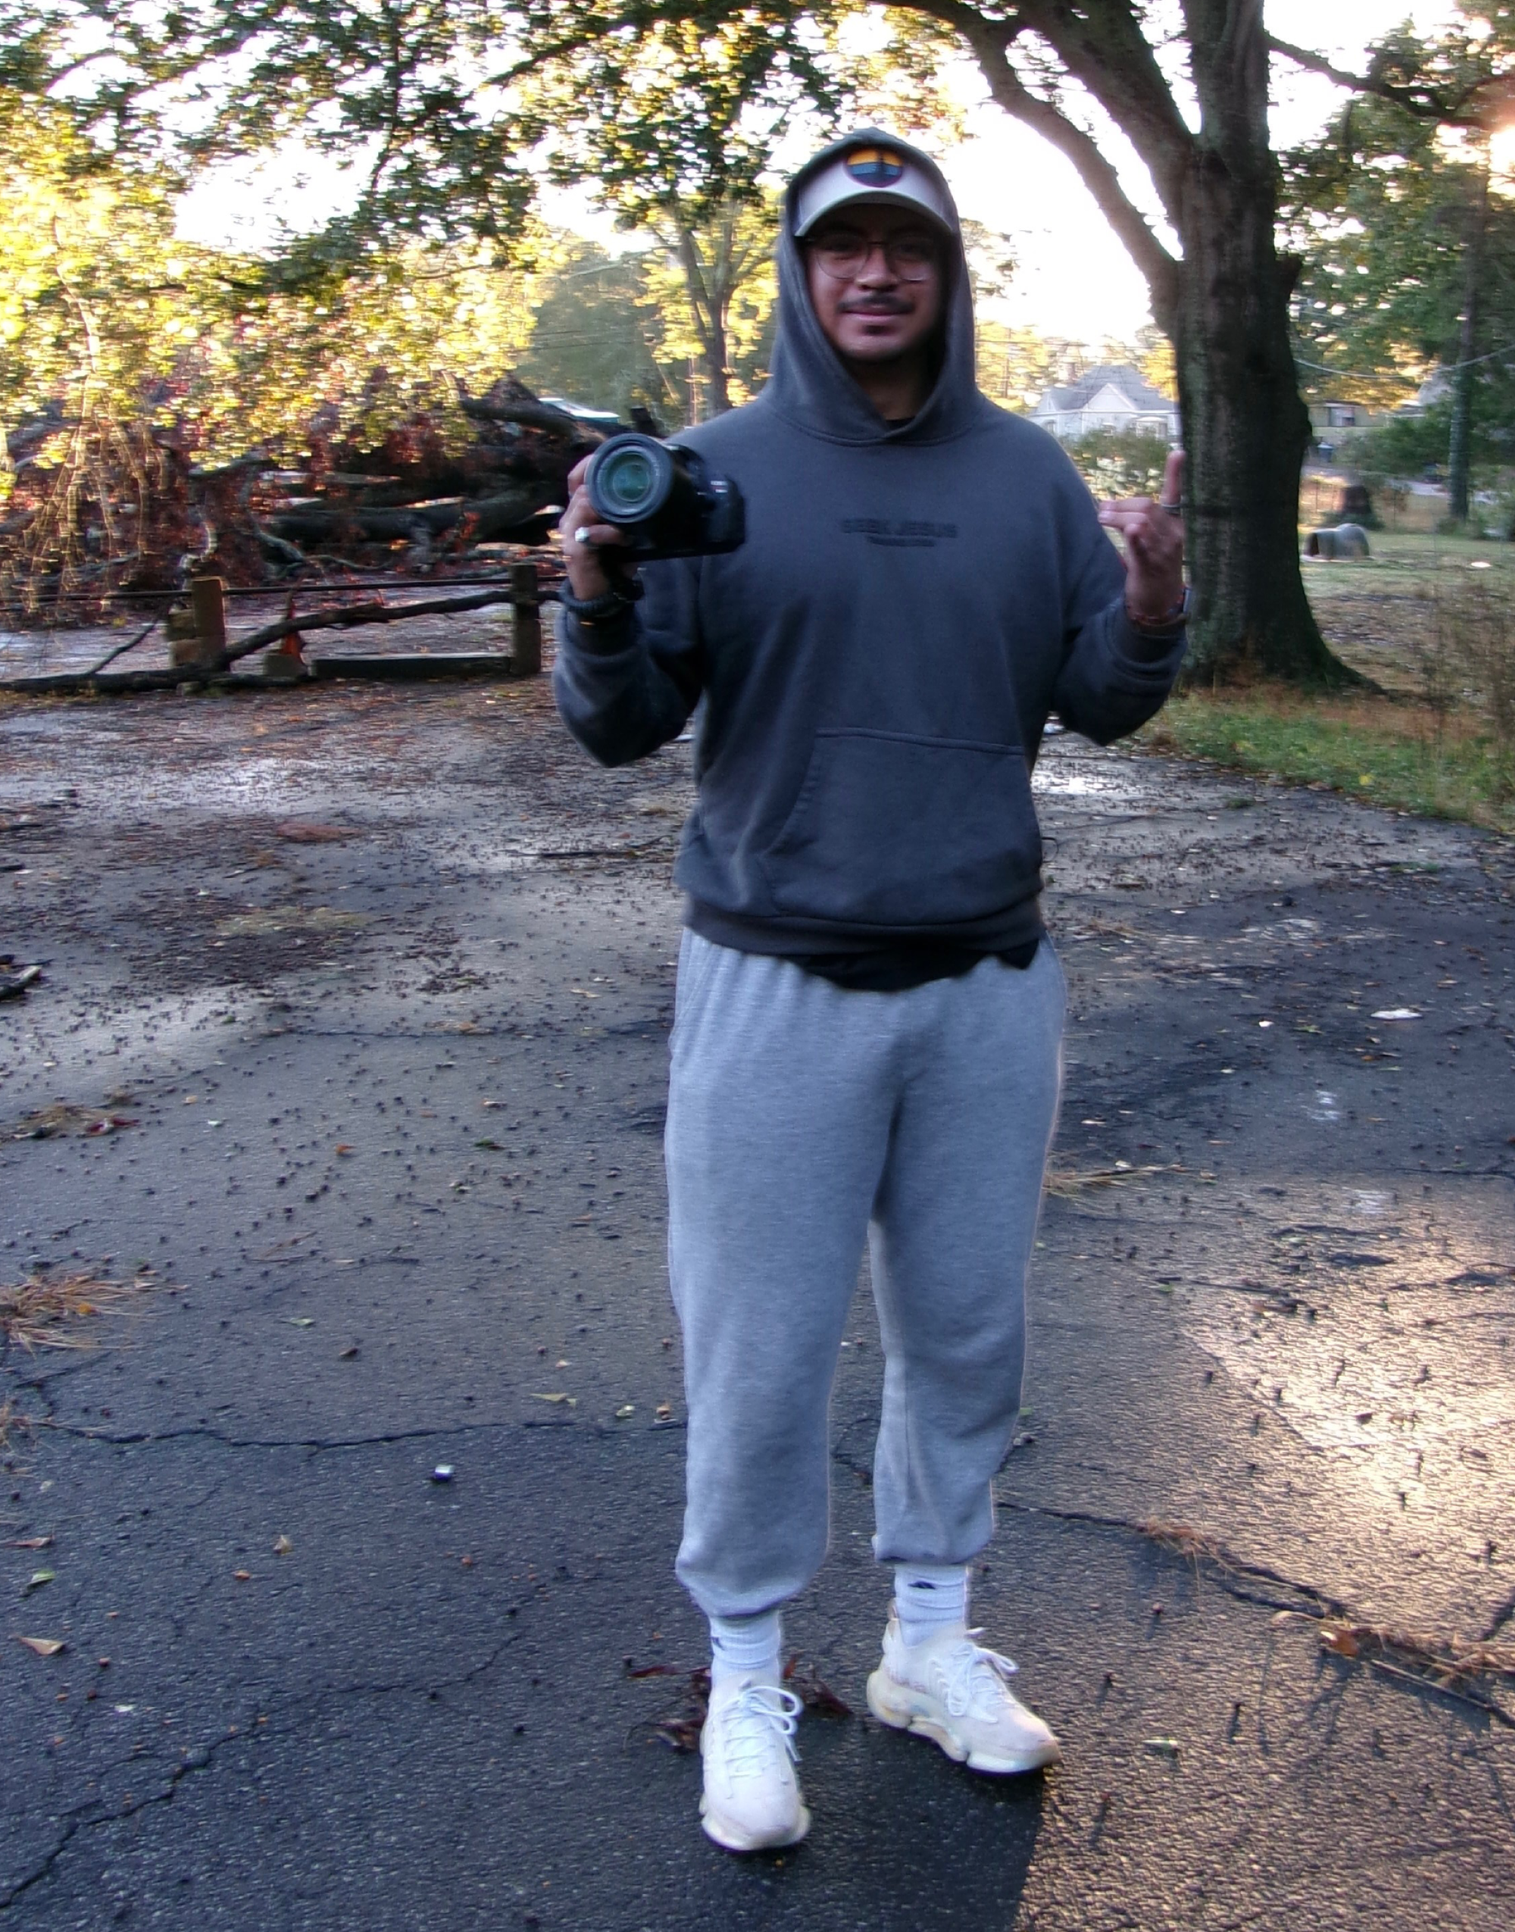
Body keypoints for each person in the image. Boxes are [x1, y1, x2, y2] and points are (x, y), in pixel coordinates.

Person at [550, 130, 1189, 1854]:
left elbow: (1105, 702)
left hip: (987, 982)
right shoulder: (705, 473)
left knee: (967, 1330)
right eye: (846, 250)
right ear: (805, 274)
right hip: (776, 981)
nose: (877, 274)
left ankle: (923, 1646)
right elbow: (619, 728)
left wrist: (1150, 607)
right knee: (760, 1352)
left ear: (948, 272)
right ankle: (746, 1676)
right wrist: (596, 601)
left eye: (907, 245)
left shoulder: (1031, 478)